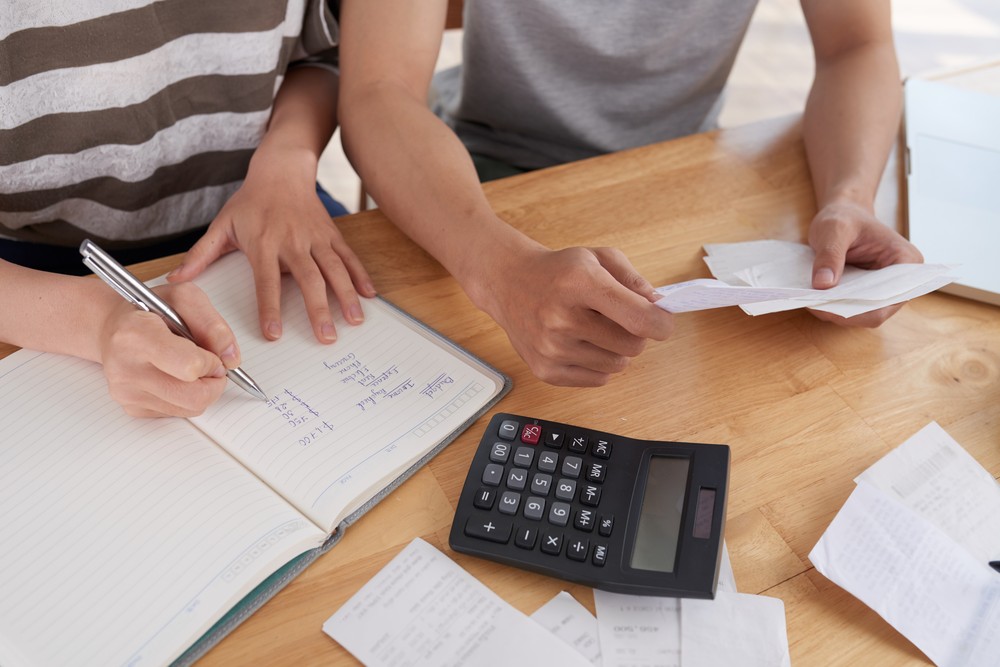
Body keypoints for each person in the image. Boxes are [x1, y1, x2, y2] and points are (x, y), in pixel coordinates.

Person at [335, 0, 923, 387]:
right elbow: (377, 89)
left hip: (681, 168)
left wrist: (849, 196)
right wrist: (497, 270)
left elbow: (857, 45)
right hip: (478, 174)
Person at [0, 0, 374, 417]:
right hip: (32, 272)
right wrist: (96, 322)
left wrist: (289, 158)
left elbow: (322, 56)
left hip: (272, 196)